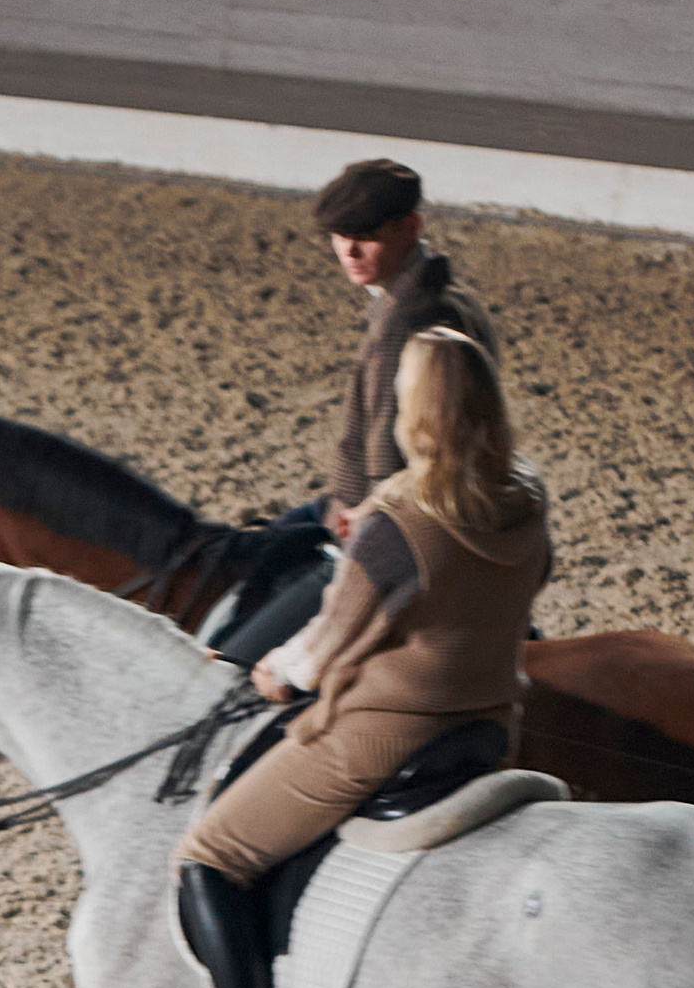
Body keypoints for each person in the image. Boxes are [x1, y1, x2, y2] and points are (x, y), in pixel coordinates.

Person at [175, 323, 553, 988]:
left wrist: (274, 670)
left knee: (210, 855)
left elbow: (327, 643)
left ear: (413, 413)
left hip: (386, 733)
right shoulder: (526, 497)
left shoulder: (400, 517)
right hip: (488, 726)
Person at [206, 158, 501, 674]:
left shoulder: (410, 322)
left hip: (376, 524)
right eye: (341, 237)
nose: (350, 252)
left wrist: (362, 523)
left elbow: (392, 455)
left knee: (233, 660)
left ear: (411, 227)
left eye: (367, 236)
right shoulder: (434, 297)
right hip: (354, 504)